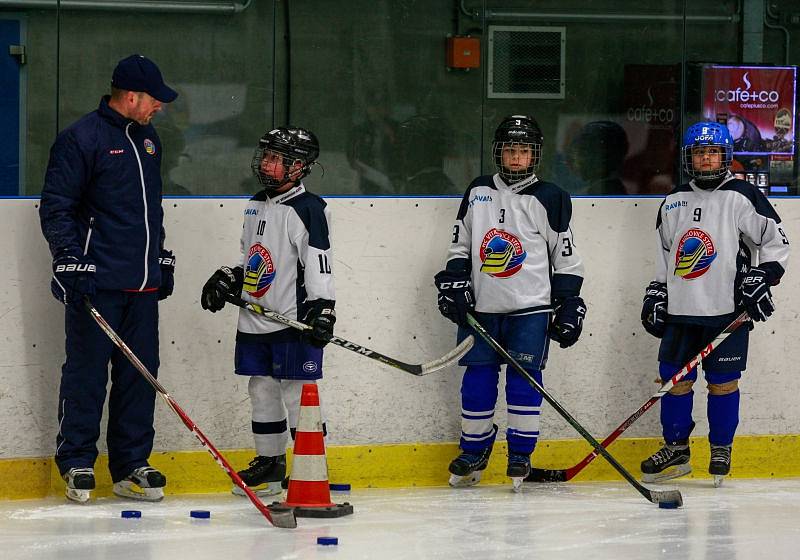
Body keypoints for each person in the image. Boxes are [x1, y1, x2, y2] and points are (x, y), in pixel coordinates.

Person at [39, 54, 178, 503]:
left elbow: (147, 211)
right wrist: (68, 259)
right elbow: (57, 207)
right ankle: (78, 460)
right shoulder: (81, 139)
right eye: (155, 99)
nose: (160, 106)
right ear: (132, 96)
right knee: (86, 375)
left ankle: (131, 464)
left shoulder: (150, 140)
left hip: (142, 284)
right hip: (96, 282)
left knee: (140, 376)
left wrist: (160, 256)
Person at [434, 115, 586, 490]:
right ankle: (475, 447)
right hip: (483, 307)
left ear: (535, 155)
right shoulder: (478, 191)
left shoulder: (550, 197)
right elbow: (461, 245)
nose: (516, 158)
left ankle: (520, 453)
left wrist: (568, 303)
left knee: (524, 382)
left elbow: (566, 258)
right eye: (509, 150)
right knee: (477, 381)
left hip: (530, 309)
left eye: (523, 151)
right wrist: (455, 282)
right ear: (498, 153)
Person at [639, 121, 790, 486]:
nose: (706, 159)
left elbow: (776, 242)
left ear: (725, 156)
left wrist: (762, 275)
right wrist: (657, 291)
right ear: (689, 158)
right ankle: (676, 451)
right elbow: (666, 255)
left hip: (727, 310)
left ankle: (721, 447)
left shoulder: (742, 195)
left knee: (723, 382)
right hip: (681, 310)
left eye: (713, 153)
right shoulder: (673, 200)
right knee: (674, 381)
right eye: (699, 153)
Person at [200, 126, 335, 496]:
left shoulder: (308, 209)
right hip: (256, 318)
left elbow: (318, 264)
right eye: (267, 156)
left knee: (298, 392)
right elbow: (252, 258)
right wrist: (232, 275)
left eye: (278, 158)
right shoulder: (255, 203)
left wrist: (323, 309)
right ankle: (270, 464)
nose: (268, 163)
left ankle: (311, 465)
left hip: (292, 319)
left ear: (300, 166)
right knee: (260, 389)